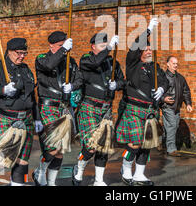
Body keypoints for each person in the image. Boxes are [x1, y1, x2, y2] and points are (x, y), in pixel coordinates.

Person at [0, 38, 42, 186]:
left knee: (23, 160)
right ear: (10, 51)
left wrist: (37, 118)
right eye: (19, 53)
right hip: (4, 118)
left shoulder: (26, 69)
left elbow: (32, 97)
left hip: (26, 120)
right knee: (2, 161)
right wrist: (3, 90)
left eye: (24, 53)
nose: (22, 56)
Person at [116, 18, 169, 186]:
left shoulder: (155, 66)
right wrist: (147, 31)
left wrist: (161, 88)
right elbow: (133, 48)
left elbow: (165, 81)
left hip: (150, 110)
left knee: (146, 145)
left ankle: (139, 174)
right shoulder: (133, 64)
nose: (147, 52)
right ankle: (125, 168)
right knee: (135, 143)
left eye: (149, 49)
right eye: (144, 49)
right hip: (134, 109)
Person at [72, 33, 126, 186]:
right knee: (90, 146)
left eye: (106, 46)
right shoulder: (86, 59)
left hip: (106, 108)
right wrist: (109, 48)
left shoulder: (112, 62)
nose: (105, 49)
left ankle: (99, 180)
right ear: (93, 47)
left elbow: (123, 80)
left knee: (103, 146)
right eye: (102, 46)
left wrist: (117, 85)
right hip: (89, 107)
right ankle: (79, 168)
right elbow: (96, 61)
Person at [32, 31, 83, 186]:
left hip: (64, 108)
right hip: (48, 107)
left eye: (65, 45)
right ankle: (40, 170)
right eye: (61, 46)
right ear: (51, 46)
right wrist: (63, 51)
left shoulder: (70, 61)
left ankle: (51, 182)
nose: (65, 49)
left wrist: (72, 86)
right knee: (53, 148)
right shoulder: (42, 59)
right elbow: (49, 65)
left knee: (60, 151)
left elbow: (80, 79)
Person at [161, 56, 193, 157]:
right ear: (168, 64)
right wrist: (163, 99)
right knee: (172, 126)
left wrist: (188, 104)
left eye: (176, 63)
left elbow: (186, 92)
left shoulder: (180, 78)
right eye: (173, 63)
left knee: (170, 126)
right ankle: (171, 149)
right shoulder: (163, 77)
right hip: (167, 106)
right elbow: (156, 91)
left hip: (177, 107)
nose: (175, 65)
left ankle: (162, 143)